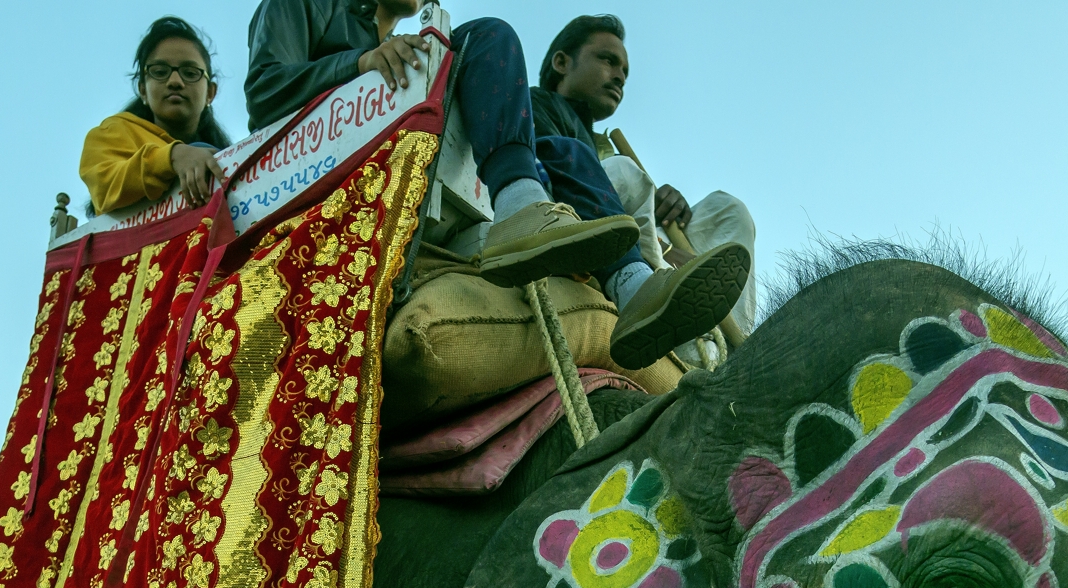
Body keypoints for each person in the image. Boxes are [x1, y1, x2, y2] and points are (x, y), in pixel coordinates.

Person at [246, 0, 745, 369]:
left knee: (556, 135)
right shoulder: (306, 5)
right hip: (333, 181)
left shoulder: (408, 49)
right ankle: (525, 210)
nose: (619, 75)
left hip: (432, 171)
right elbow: (265, 96)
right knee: (491, 35)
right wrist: (360, 65)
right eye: (609, 61)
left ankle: (629, 282)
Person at [535, 14, 760, 338]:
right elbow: (560, 188)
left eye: (624, 72)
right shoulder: (538, 105)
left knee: (727, 209)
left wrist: (664, 204)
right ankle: (654, 302)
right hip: (594, 237)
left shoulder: (607, 146)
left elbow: (633, 201)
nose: (619, 78)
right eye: (608, 61)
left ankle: (730, 343)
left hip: (647, 239)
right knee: (621, 171)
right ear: (562, 62)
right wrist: (665, 251)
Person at [79, 17, 236, 216]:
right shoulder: (113, 133)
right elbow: (104, 188)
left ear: (210, 93)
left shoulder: (227, 159)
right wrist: (172, 157)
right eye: (160, 72)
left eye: (190, 73)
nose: (175, 81)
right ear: (143, 90)